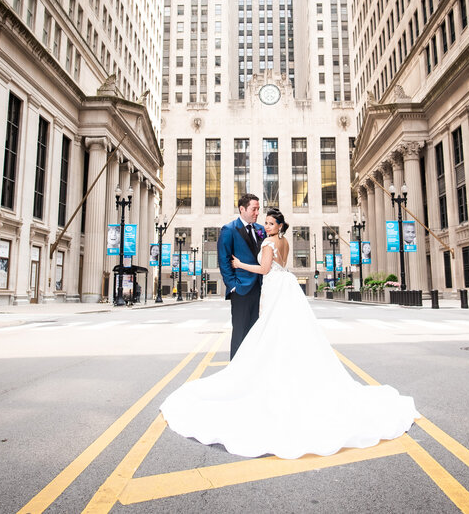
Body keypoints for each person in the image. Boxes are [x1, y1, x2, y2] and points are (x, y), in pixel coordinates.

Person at [160, 207, 418, 460]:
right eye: (266, 223)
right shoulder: (284, 242)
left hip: (273, 285)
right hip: (283, 284)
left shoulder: (268, 243)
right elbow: (279, 266)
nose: (266, 226)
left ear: (279, 226)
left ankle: (272, 369)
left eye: (271, 223)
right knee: (281, 326)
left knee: (271, 327)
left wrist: (240, 263)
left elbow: (263, 269)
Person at [216, 193, 263, 359]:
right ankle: (235, 372)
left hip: (260, 289)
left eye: (258, 209)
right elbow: (224, 260)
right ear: (242, 209)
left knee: (256, 332)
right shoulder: (229, 230)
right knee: (240, 334)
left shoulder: (261, 230)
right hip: (241, 290)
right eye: (254, 209)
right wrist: (233, 285)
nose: (257, 212)